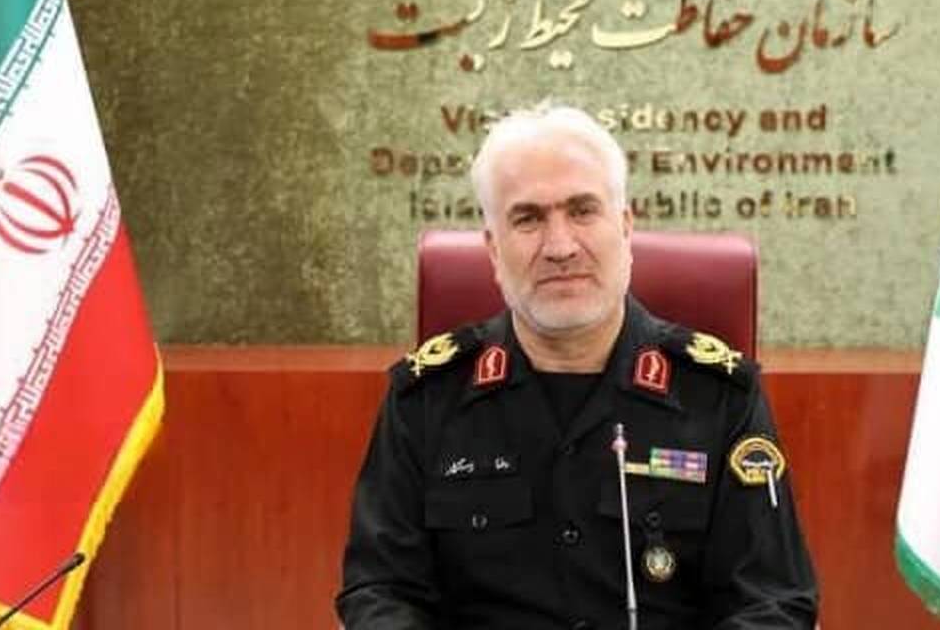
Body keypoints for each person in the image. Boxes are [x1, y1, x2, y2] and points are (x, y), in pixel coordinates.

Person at [336, 104, 818, 629]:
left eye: (583, 211)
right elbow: (381, 591)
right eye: (528, 219)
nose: (561, 247)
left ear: (625, 228)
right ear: (493, 249)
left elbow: (772, 603)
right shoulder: (427, 399)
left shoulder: (720, 397)